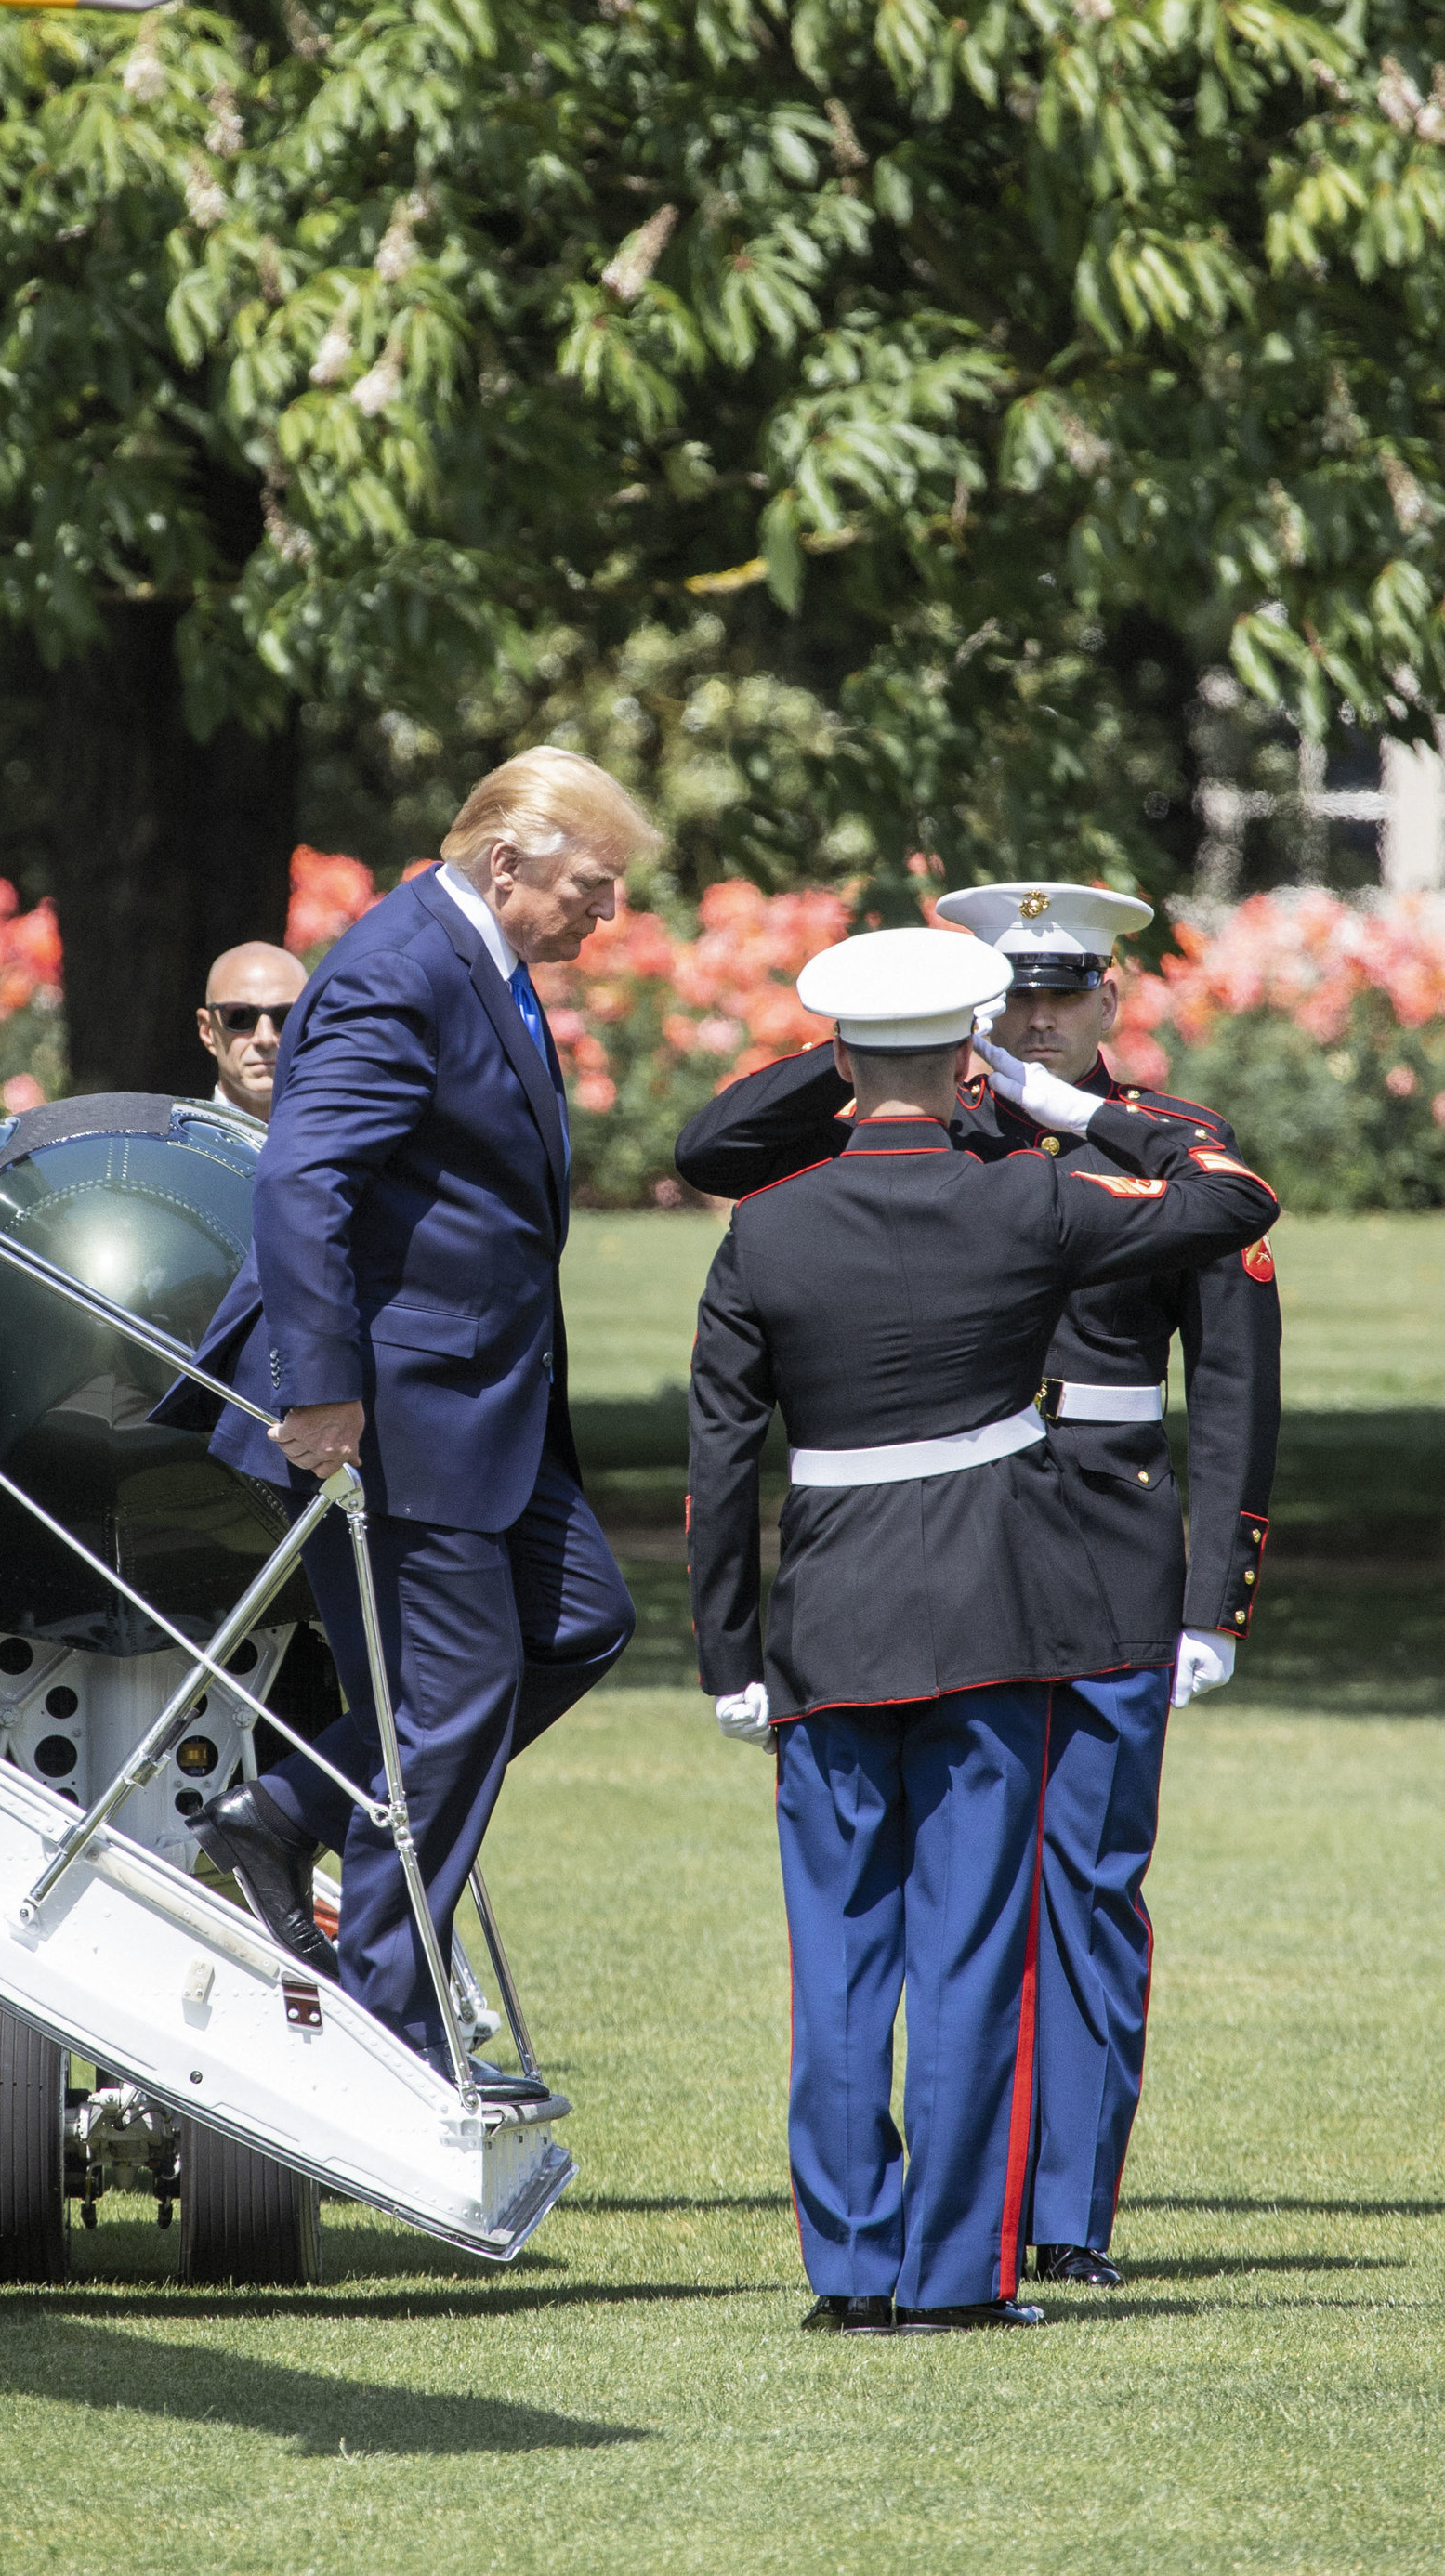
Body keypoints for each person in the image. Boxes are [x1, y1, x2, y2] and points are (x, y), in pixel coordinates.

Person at [674, 882, 1281, 2291]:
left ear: (1110, 997)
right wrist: (954, 1077)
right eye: (1002, 997)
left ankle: (1030, 2218)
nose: (1034, 1015)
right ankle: (959, 2255)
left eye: (1063, 991)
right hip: (991, 1568)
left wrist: (1214, 1591)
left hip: (1061, 1544)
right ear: (965, 1028)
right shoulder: (1023, 1174)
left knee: (1062, 1888)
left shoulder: (1046, 1153)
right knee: (975, 1929)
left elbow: (1231, 1367)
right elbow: (712, 1137)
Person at [155, 750, 656, 2097]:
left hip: (476, 1401)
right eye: (591, 889)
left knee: (581, 1621)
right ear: (509, 863)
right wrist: (321, 1385)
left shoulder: (477, 960)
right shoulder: (399, 964)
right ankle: (391, 2014)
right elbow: (304, 1179)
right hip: (387, 1405)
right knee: (449, 1697)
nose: (605, 916)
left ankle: (294, 1808)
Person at [197, 940, 307, 1125]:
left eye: (286, 1016)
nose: (265, 1038)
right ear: (208, 1031)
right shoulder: (175, 1149)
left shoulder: (347, 1147)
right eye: (241, 1017)